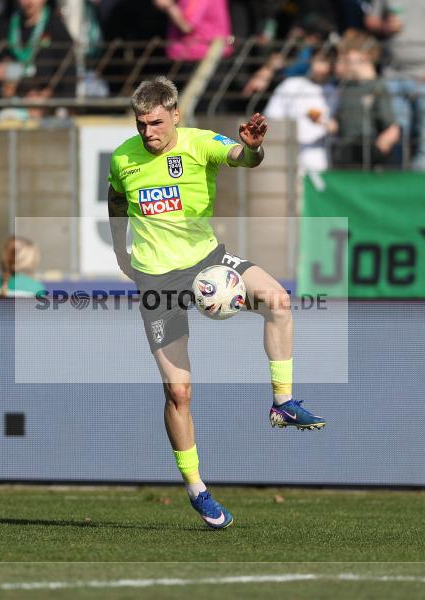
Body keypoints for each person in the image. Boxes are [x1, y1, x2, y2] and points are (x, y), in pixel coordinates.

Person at [107, 77, 325, 530]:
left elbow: (241, 157)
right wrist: (119, 252)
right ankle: (197, 489)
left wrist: (253, 149)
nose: (148, 133)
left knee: (278, 300)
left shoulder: (199, 144)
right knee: (178, 392)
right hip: (157, 280)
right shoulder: (123, 157)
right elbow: (115, 198)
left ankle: (282, 402)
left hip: (207, 262)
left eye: (156, 123)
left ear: (175, 115)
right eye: (141, 124)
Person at [366, 0, 425, 171]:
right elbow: (371, 19)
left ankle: (422, 186)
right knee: (395, 137)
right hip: (392, 74)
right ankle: (396, 184)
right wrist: (384, 25)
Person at [332, 30, 400, 169]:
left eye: (348, 56)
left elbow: (392, 129)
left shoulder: (377, 87)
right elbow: (337, 125)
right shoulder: (345, 88)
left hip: (366, 151)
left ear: (365, 56)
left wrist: (377, 151)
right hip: (345, 153)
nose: (343, 60)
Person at [264, 49, 338, 172]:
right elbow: (272, 117)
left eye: (326, 62)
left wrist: (324, 123)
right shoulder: (291, 85)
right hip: (286, 151)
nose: (321, 68)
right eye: (319, 61)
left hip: (317, 156)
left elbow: (335, 128)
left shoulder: (334, 92)